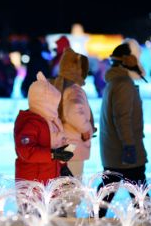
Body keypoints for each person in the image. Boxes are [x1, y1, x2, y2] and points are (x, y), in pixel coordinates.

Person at [97, 42, 149, 218]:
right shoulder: (123, 84)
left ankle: (92, 223)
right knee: (140, 195)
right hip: (124, 153)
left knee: (107, 190)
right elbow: (122, 118)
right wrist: (129, 145)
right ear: (127, 60)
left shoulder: (115, 82)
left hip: (114, 150)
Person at [14, 71, 74, 212]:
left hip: (50, 181)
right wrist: (54, 154)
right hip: (32, 185)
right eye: (53, 102)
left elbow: (56, 145)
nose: (55, 106)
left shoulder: (50, 120)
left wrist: (63, 163)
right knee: (32, 225)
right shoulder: (30, 122)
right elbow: (26, 151)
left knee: (52, 224)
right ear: (44, 101)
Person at [51, 47, 96, 216]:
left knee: (62, 185)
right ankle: (69, 224)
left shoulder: (57, 86)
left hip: (61, 146)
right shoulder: (74, 90)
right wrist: (86, 129)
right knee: (73, 188)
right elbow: (75, 110)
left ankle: (59, 220)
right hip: (73, 147)